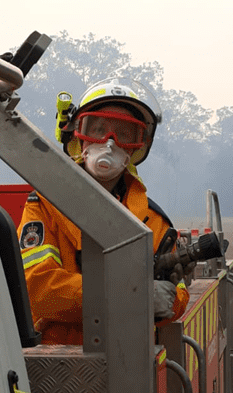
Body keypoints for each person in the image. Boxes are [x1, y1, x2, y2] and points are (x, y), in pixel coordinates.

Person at [17, 77, 189, 345]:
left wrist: (167, 298)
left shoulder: (154, 223)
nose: (109, 143)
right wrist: (129, 297)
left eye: (124, 133)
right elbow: (37, 290)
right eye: (97, 129)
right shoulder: (46, 206)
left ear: (138, 145)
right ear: (77, 133)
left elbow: (175, 298)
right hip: (59, 360)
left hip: (132, 363)